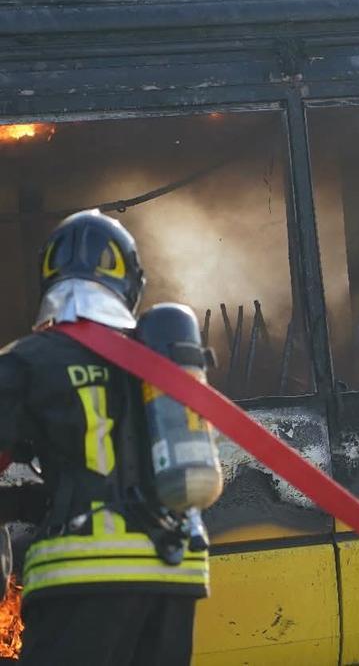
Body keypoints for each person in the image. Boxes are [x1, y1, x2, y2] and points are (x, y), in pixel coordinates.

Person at [0, 210, 209, 665]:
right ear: (131, 282)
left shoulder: (27, 360)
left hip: (84, 570)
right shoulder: (159, 359)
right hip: (176, 570)